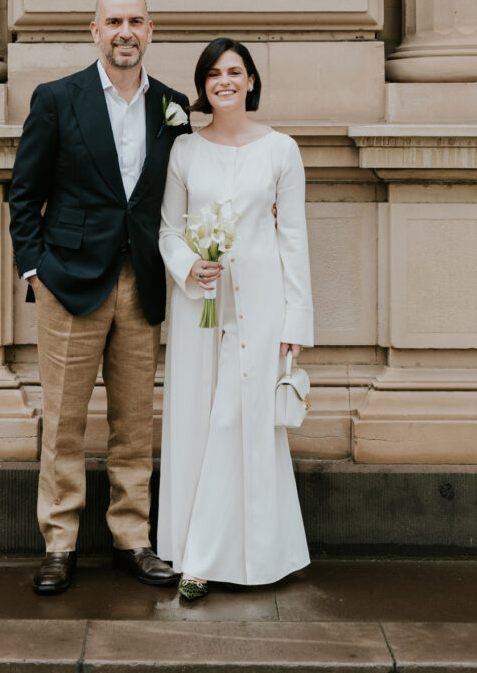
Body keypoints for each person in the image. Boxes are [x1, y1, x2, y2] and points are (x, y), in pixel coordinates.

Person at [9, 0, 190, 595]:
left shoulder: (173, 105)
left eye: (136, 20)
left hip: (141, 284)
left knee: (134, 422)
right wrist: (35, 269)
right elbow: (23, 193)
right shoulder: (58, 98)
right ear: (94, 30)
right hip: (70, 282)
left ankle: (131, 539)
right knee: (63, 422)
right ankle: (59, 544)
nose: (125, 31)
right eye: (114, 20)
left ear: (150, 29)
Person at [157, 37, 313, 600]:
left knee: (239, 422)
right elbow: (167, 229)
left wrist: (297, 323)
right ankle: (195, 546)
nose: (225, 81)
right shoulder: (184, 151)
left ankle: (214, 558)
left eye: (236, 72)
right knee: (201, 422)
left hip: (263, 306)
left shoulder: (281, 150)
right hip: (199, 304)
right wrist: (187, 265)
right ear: (202, 85)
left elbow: (292, 237)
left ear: (250, 82)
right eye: (215, 73)